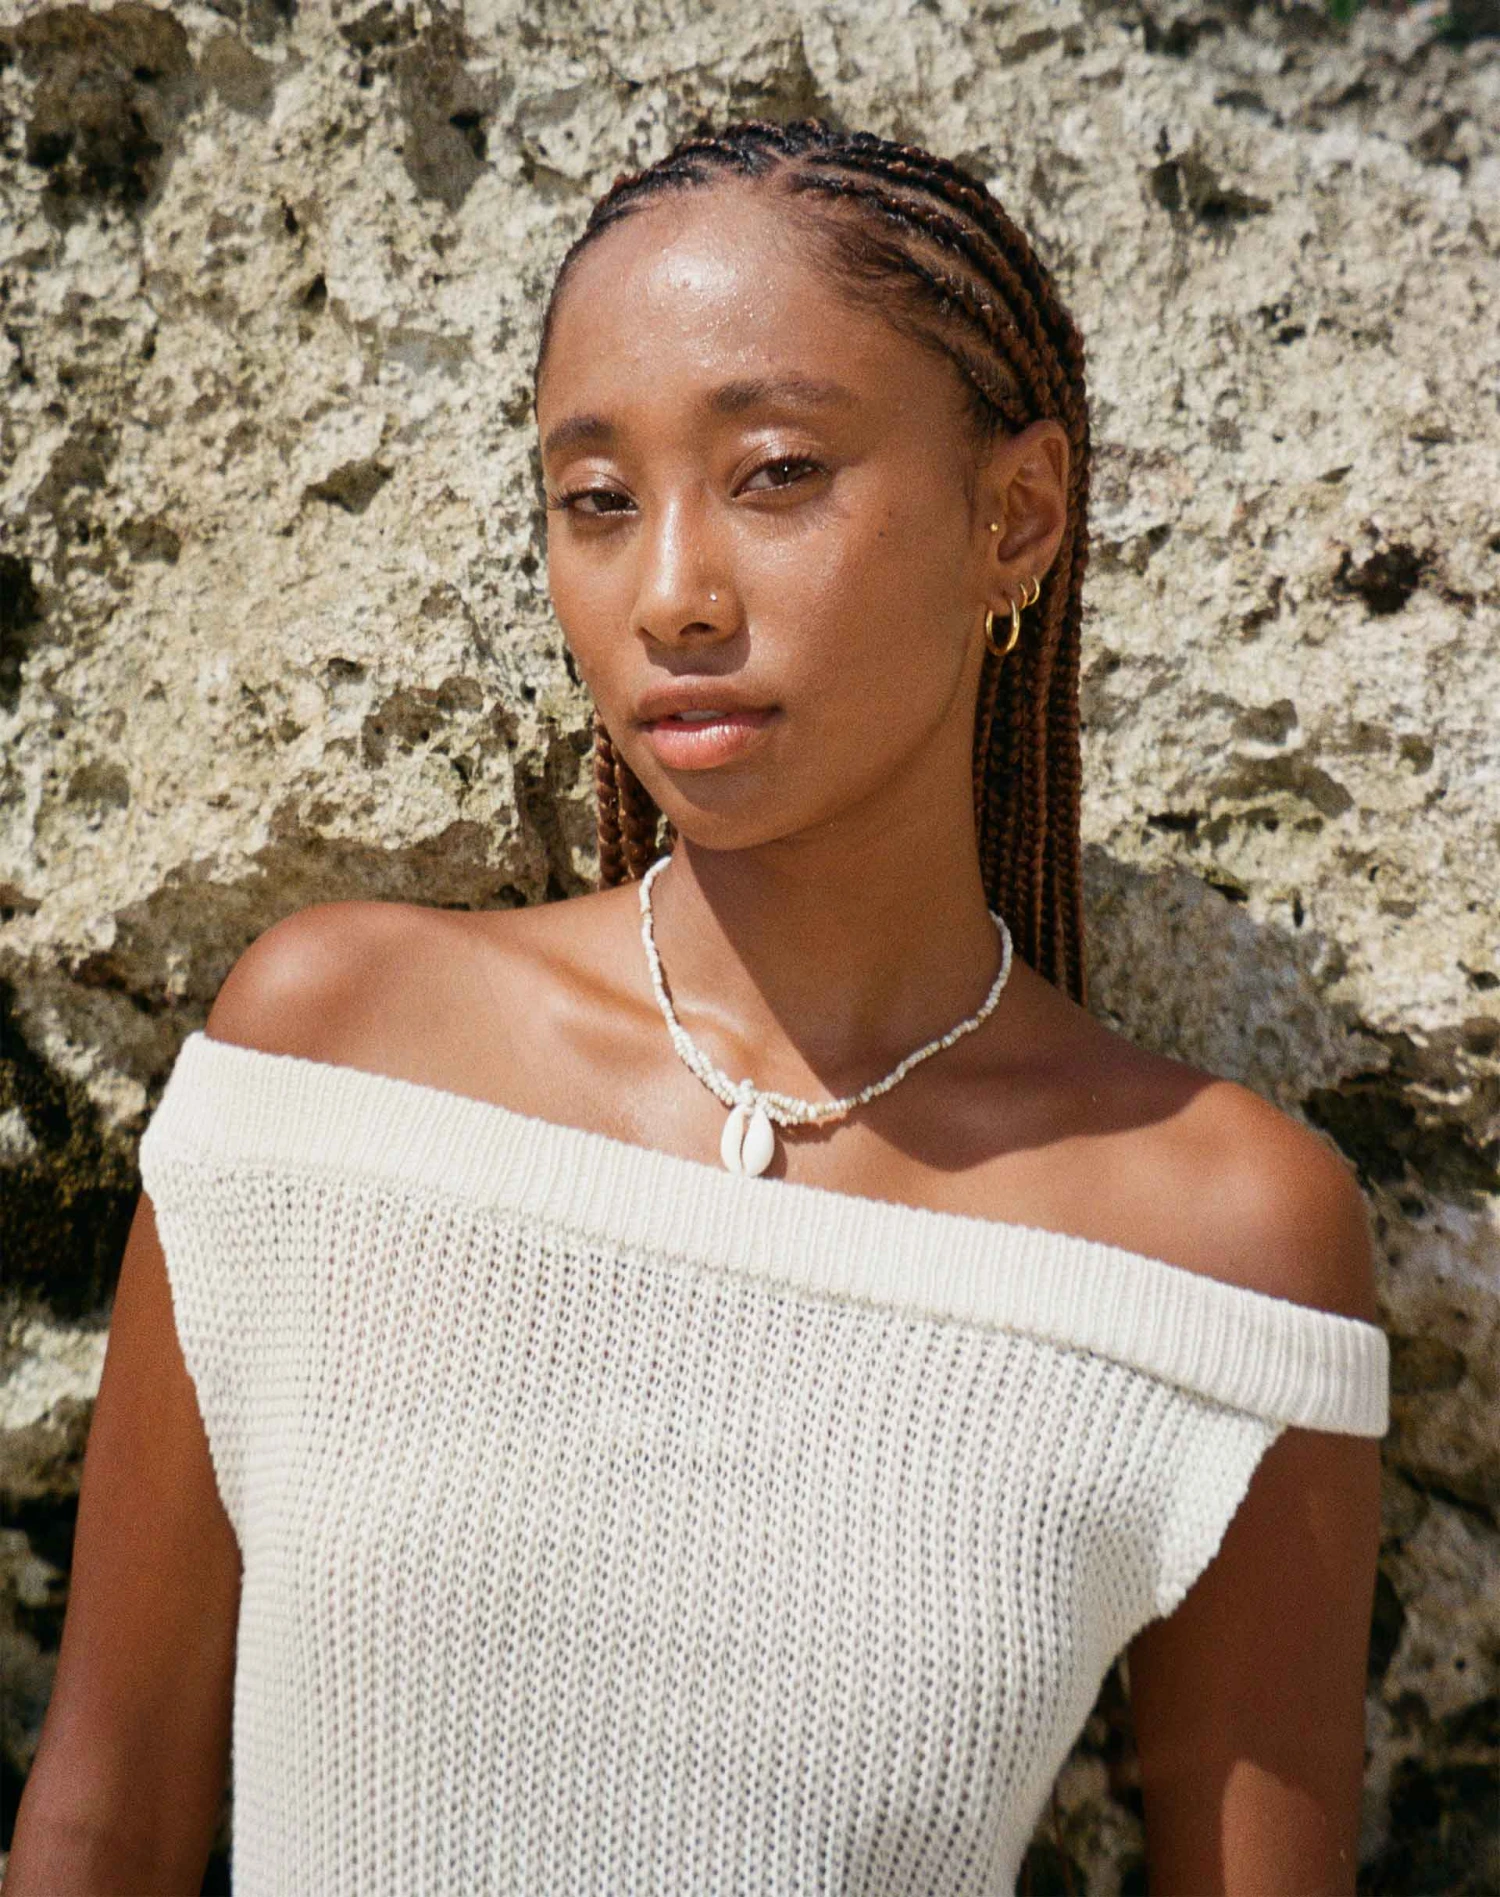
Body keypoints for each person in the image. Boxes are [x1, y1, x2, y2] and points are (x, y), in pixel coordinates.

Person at [8, 118, 1388, 1895]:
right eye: (597, 501)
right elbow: (99, 1823)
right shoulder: (329, 1060)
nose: (671, 594)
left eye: (778, 473)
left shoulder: (1223, 1243)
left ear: (1017, 516)